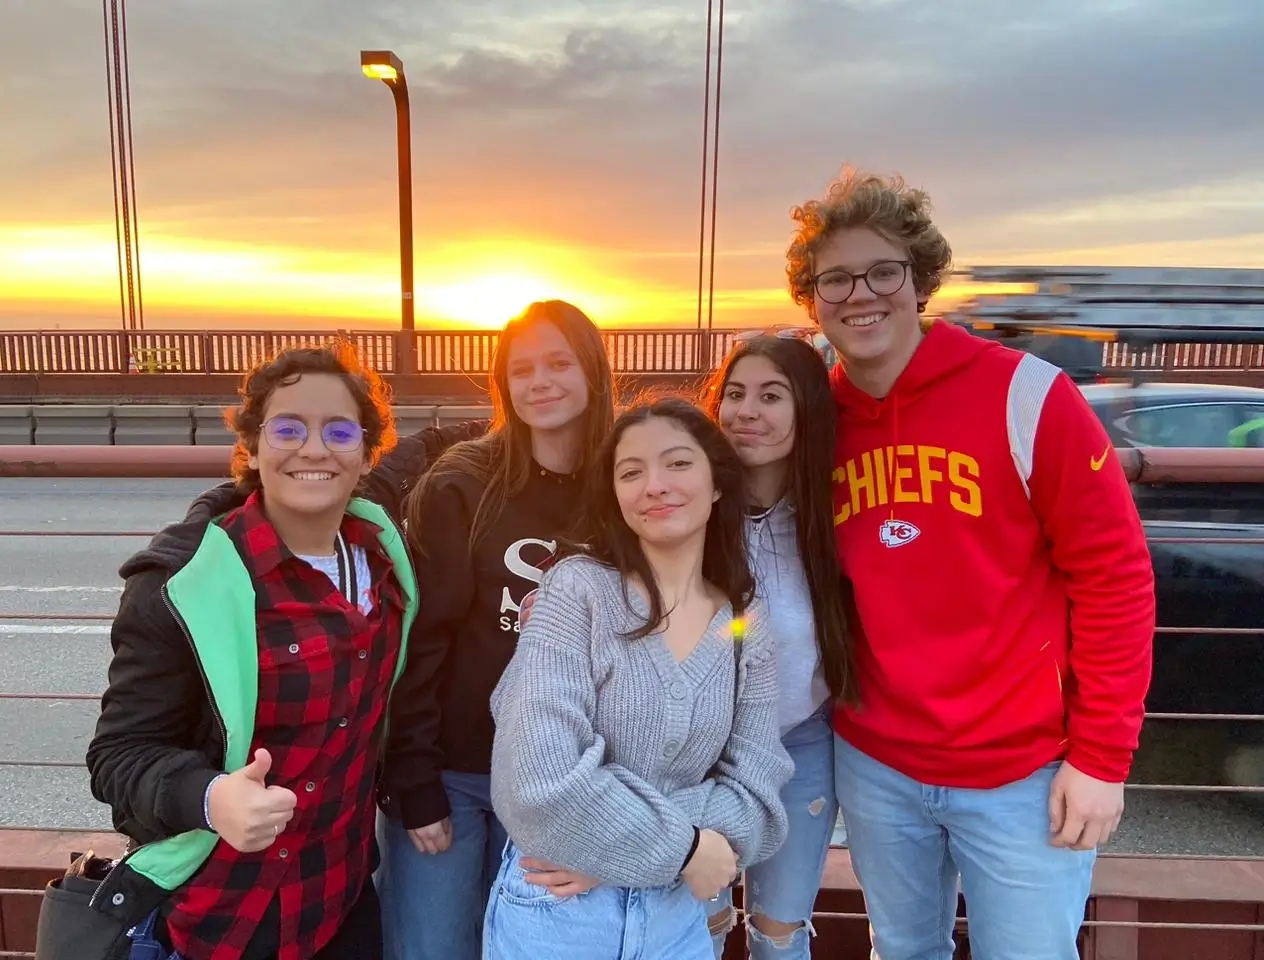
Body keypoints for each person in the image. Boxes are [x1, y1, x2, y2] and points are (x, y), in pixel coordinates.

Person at [785, 169, 1156, 959]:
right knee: (903, 950)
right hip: (876, 761)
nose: (861, 295)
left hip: (1021, 772)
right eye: (835, 279)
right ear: (812, 299)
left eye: (884, 271)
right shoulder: (811, 419)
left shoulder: (1029, 397)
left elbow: (1116, 581)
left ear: (920, 281)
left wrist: (1101, 758)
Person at [85, 342, 417, 960]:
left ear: (367, 452)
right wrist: (211, 797)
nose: (313, 448)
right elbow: (118, 756)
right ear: (253, 445)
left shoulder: (384, 561)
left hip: (341, 903)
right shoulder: (184, 585)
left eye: (338, 430)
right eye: (288, 427)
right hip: (224, 917)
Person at [484, 397, 794, 959]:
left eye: (677, 463)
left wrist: (615, 844)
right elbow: (532, 779)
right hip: (558, 911)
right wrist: (688, 848)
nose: (654, 485)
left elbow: (760, 802)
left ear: (718, 483)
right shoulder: (576, 592)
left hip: (676, 918)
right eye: (631, 472)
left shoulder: (746, 622)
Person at [375, 300, 617, 960]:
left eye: (559, 362)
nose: (540, 381)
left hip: (558, 781)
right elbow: (420, 645)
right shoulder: (461, 484)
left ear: (593, 370)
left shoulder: (625, 484)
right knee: (433, 948)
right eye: (522, 369)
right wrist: (415, 783)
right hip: (451, 774)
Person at [700, 334, 857, 958]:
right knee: (699, 923)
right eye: (734, 394)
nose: (747, 412)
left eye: (771, 396)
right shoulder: (692, 505)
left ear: (806, 411)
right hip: (699, 750)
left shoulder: (834, 511)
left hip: (801, 742)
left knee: (780, 929)